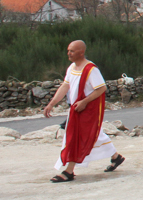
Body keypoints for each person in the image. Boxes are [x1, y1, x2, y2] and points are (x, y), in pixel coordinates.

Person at [43, 40, 124, 183]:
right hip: (77, 109)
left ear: (81, 52)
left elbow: (101, 88)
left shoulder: (91, 70)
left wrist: (84, 101)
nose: (68, 53)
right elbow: (65, 86)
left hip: (87, 110)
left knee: (77, 138)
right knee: (95, 134)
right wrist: (51, 104)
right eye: (68, 50)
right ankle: (116, 157)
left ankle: (69, 171)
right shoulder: (71, 68)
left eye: (72, 51)